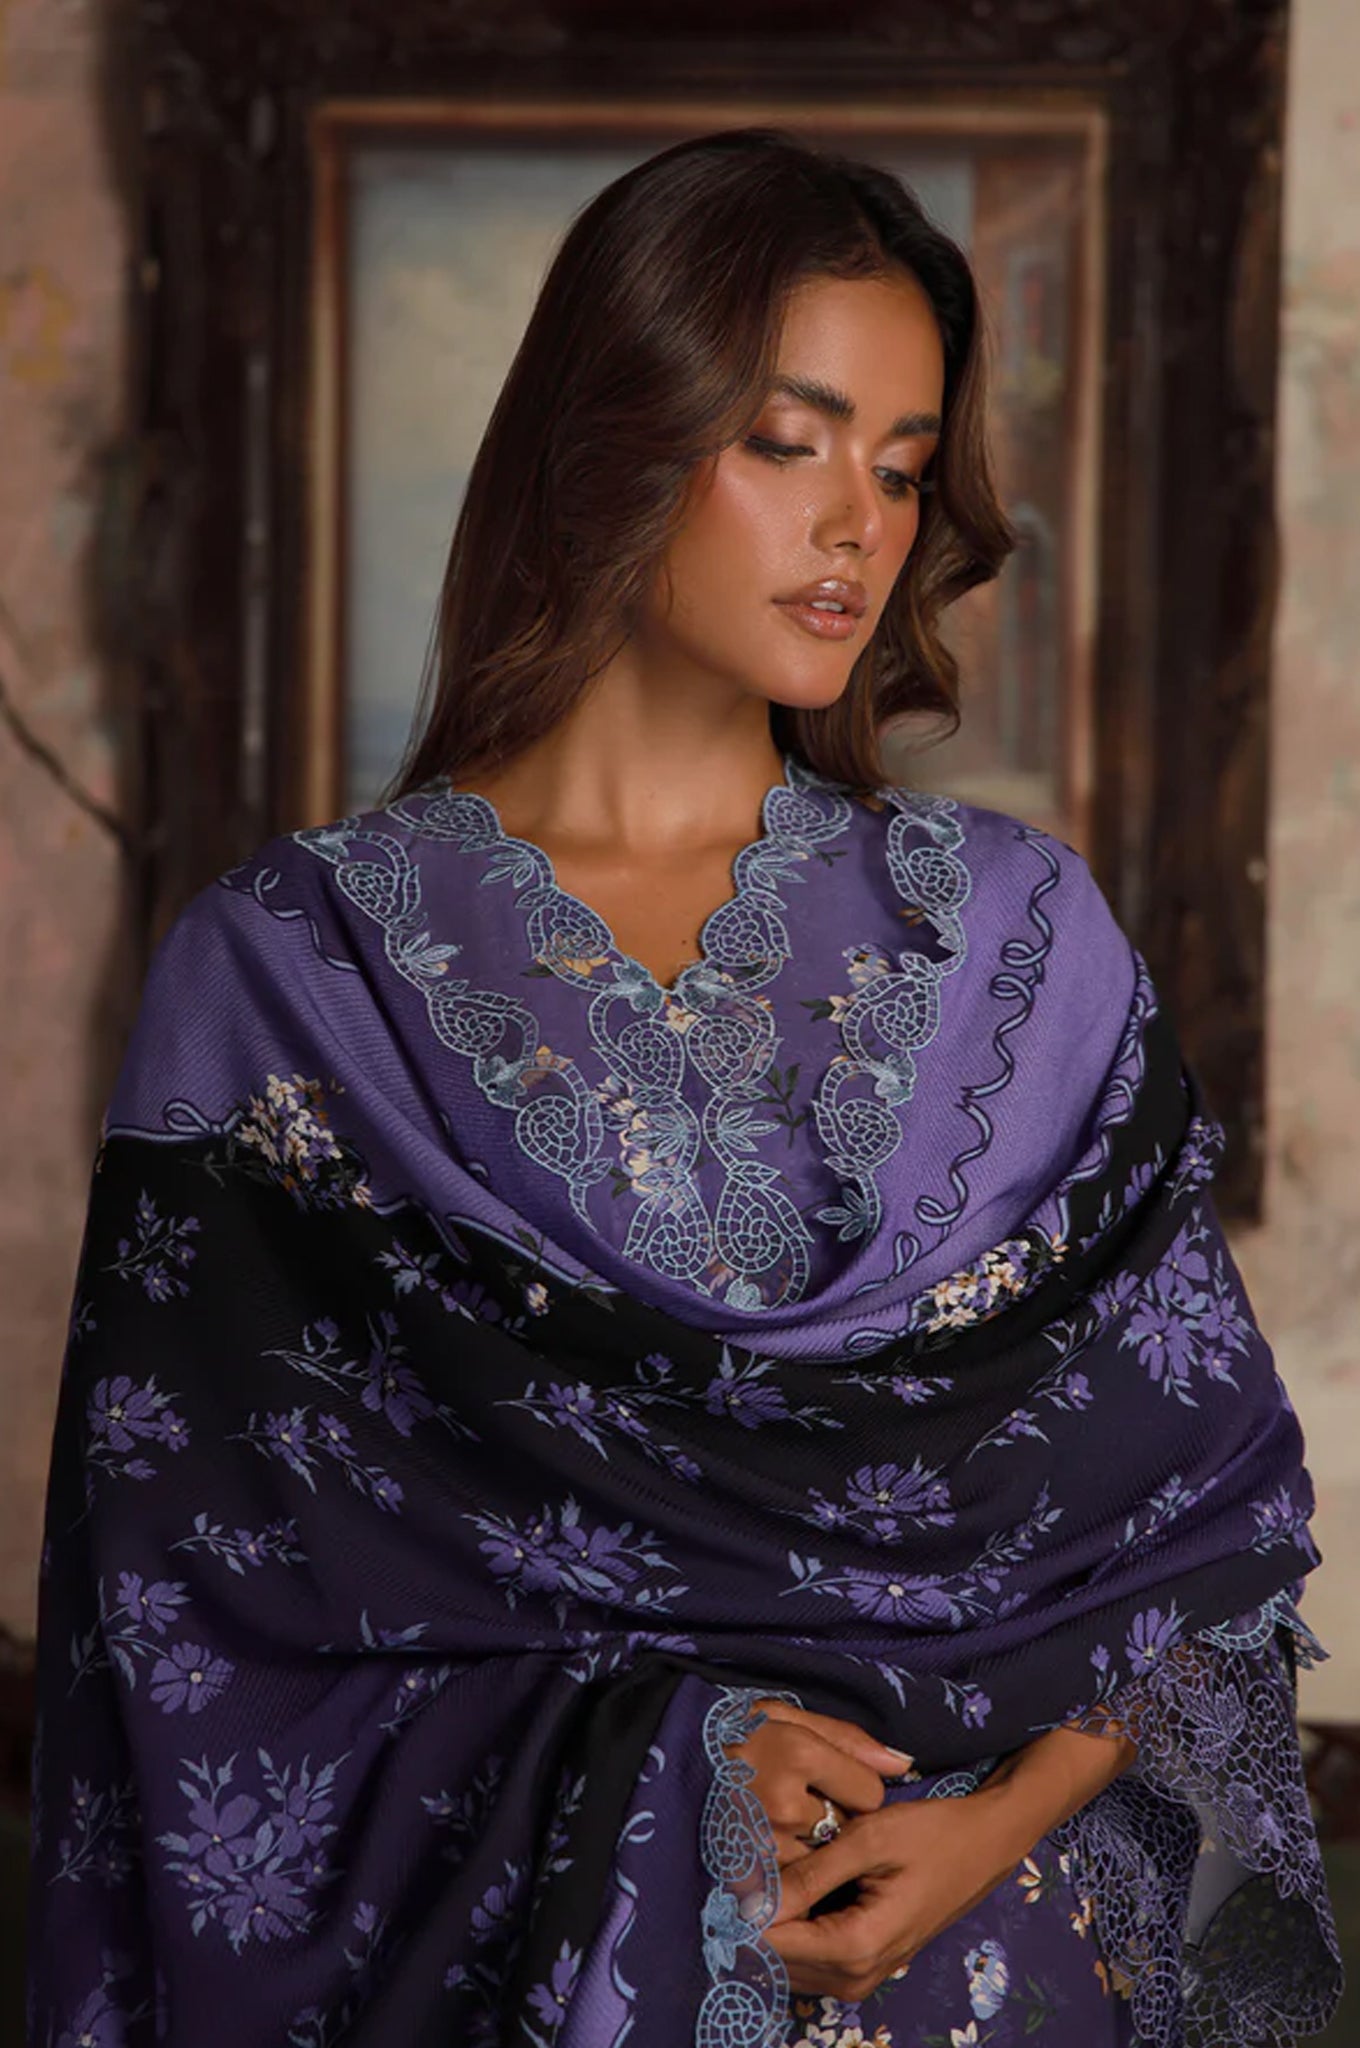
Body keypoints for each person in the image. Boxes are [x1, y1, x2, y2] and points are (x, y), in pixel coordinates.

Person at [26, 127, 1342, 2048]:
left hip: (1013, 1966)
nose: (858, 526)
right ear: (613, 435)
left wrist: (989, 1829)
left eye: (902, 468)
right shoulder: (291, 978)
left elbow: (1209, 1516)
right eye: (791, 442)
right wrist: (676, 1767)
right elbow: (195, 1627)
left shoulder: (1022, 938)